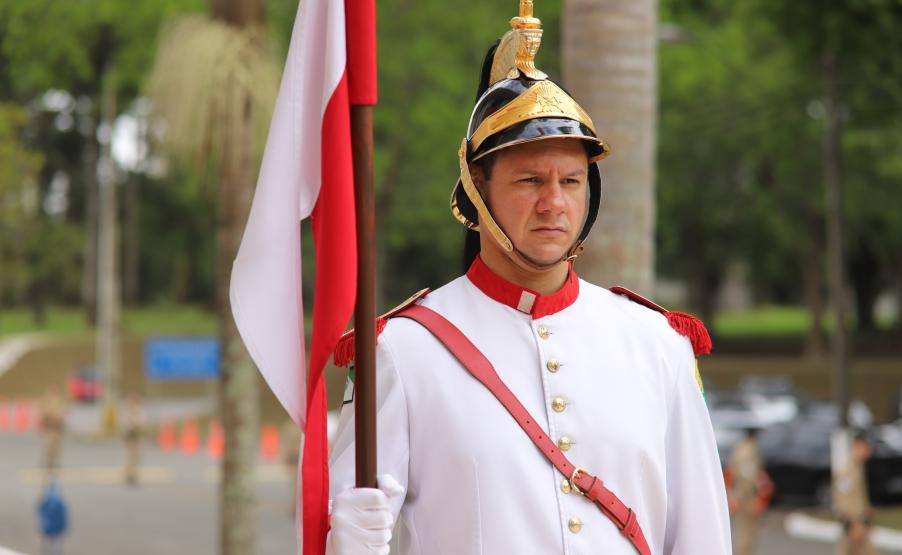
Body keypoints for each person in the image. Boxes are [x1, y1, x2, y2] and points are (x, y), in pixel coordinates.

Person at [326, 4, 731, 554]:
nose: (554, 203)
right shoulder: (402, 350)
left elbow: (701, 536)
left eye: (570, 180)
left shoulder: (657, 344)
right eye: (529, 179)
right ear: (477, 188)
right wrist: (348, 537)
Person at [726, 427, 774, 555]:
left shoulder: (740, 448)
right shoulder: (749, 451)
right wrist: (756, 495)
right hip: (747, 496)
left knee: (743, 530)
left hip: (740, 493)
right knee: (746, 532)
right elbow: (748, 474)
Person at [834, 433, 877, 555]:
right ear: (856, 447)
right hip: (854, 524)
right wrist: (850, 525)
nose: (868, 451)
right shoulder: (848, 470)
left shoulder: (859, 467)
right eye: (865, 448)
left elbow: (858, 496)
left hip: (860, 522)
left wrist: (867, 510)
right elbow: (842, 499)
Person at [38, 384, 67, 476]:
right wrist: (49, 417)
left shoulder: (60, 400)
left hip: (58, 427)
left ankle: (54, 462)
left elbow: (64, 410)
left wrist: (60, 416)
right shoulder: (47, 399)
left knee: (57, 446)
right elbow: (43, 410)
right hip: (50, 426)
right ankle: (48, 462)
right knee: (49, 445)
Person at [122, 393, 145, 485]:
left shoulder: (139, 411)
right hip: (130, 435)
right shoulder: (127, 412)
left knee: (136, 456)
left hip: (137, 435)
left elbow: (142, 423)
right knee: (129, 456)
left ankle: (134, 473)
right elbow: (125, 424)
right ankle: (129, 474)